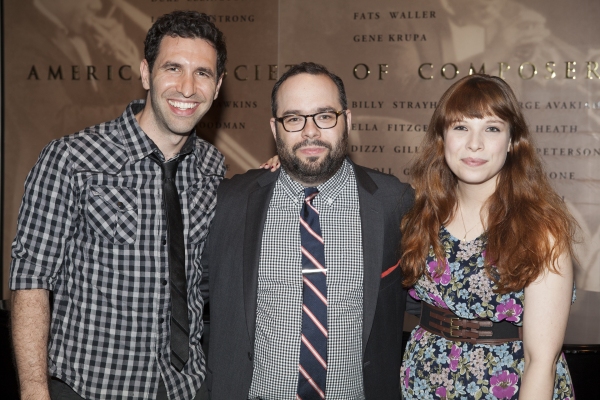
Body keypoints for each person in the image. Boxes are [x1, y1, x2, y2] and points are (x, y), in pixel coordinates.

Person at [10, 10, 226, 400]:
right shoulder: (71, 159)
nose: (187, 87)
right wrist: (34, 390)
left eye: (203, 73)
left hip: (184, 388)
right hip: (90, 387)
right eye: (173, 68)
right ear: (146, 73)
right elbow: (31, 282)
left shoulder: (213, 167)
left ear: (218, 85)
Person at [204, 62, 414, 399]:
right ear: (275, 129)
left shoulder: (393, 202)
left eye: (324, 116)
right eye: (294, 118)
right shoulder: (231, 202)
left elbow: (425, 301)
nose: (310, 131)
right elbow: (192, 301)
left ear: (348, 119)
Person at [399, 74, 577, 399]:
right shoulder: (417, 215)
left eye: (491, 128)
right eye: (461, 127)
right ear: (442, 137)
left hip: (512, 385)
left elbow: (541, 361)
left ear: (512, 141)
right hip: (424, 378)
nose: (474, 143)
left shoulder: (541, 230)